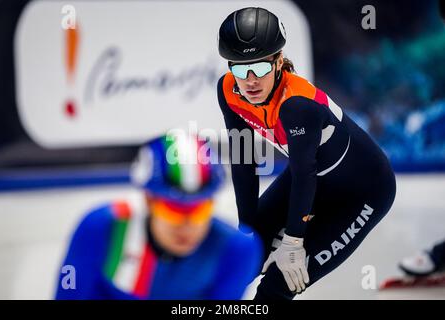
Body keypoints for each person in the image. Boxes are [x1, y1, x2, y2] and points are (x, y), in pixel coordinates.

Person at [217, 7, 397, 300]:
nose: (250, 80)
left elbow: (304, 174)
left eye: (260, 67)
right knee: (235, 262)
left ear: (278, 61)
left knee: (278, 283)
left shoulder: (297, 105)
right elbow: (243, 160)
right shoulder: (228, 90)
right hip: (313, 176)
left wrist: (293, 241)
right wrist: (248, 230)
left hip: (363, 193)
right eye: (239, 68)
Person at [55, 133, 263, 299]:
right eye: (174, 210)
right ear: (148, 200)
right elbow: (69, 293)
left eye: (200, 210)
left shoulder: (237, 250)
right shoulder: (100, 228)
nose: (187, 225)